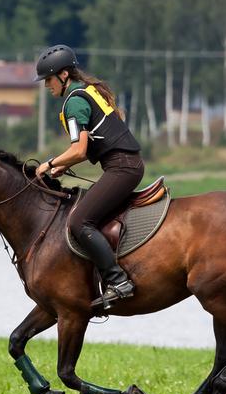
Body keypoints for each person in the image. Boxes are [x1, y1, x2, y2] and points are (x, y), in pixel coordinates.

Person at [34, 44, 144, 311]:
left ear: (63, 75)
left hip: (122, 168)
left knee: (79, 221)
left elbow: (79, 150)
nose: (47, 86)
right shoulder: (87, 91)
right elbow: (89, 148)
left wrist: (50, 163)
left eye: (48, 79)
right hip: (126, 165)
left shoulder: (74, 101)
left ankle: (118, 281)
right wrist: (63, 166)